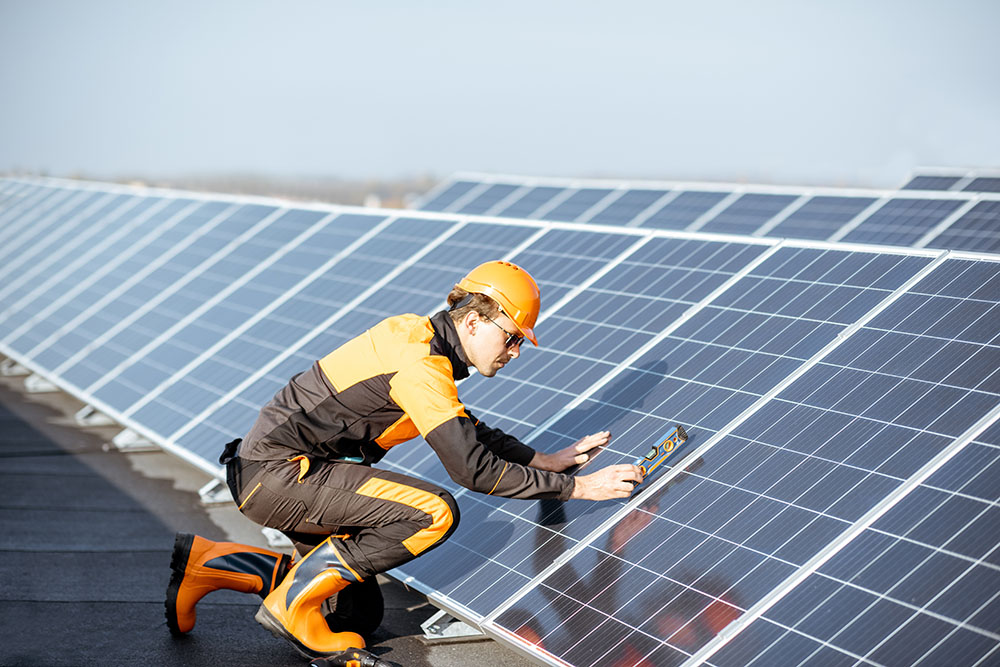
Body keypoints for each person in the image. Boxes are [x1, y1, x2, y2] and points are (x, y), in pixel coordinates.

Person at [165, 260, 643, 659]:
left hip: (273, 473)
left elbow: (464, 428)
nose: (515, 352)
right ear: (475, 322)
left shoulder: (416, 337)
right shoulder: (422, 367)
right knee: (433, 512)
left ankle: (211, 562)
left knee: (356, 617)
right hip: (283, 476)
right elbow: (471, 469)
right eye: (512, 337)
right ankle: (292, 604)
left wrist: (545, 459)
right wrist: (580, 488)